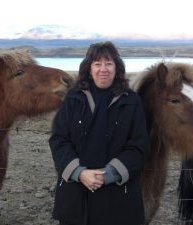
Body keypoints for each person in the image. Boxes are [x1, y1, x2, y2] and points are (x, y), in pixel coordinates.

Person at [49, 41, 149, 225]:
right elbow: (58, 140)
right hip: (76, 196)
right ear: (89, 68)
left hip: (119, 198)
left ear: (117, 68)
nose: (104, 69)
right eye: (97, 64)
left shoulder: (131, 101)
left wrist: (109, 174)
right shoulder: (73, 98)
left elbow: (138, 146)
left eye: (109, 63)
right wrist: (79, 173)